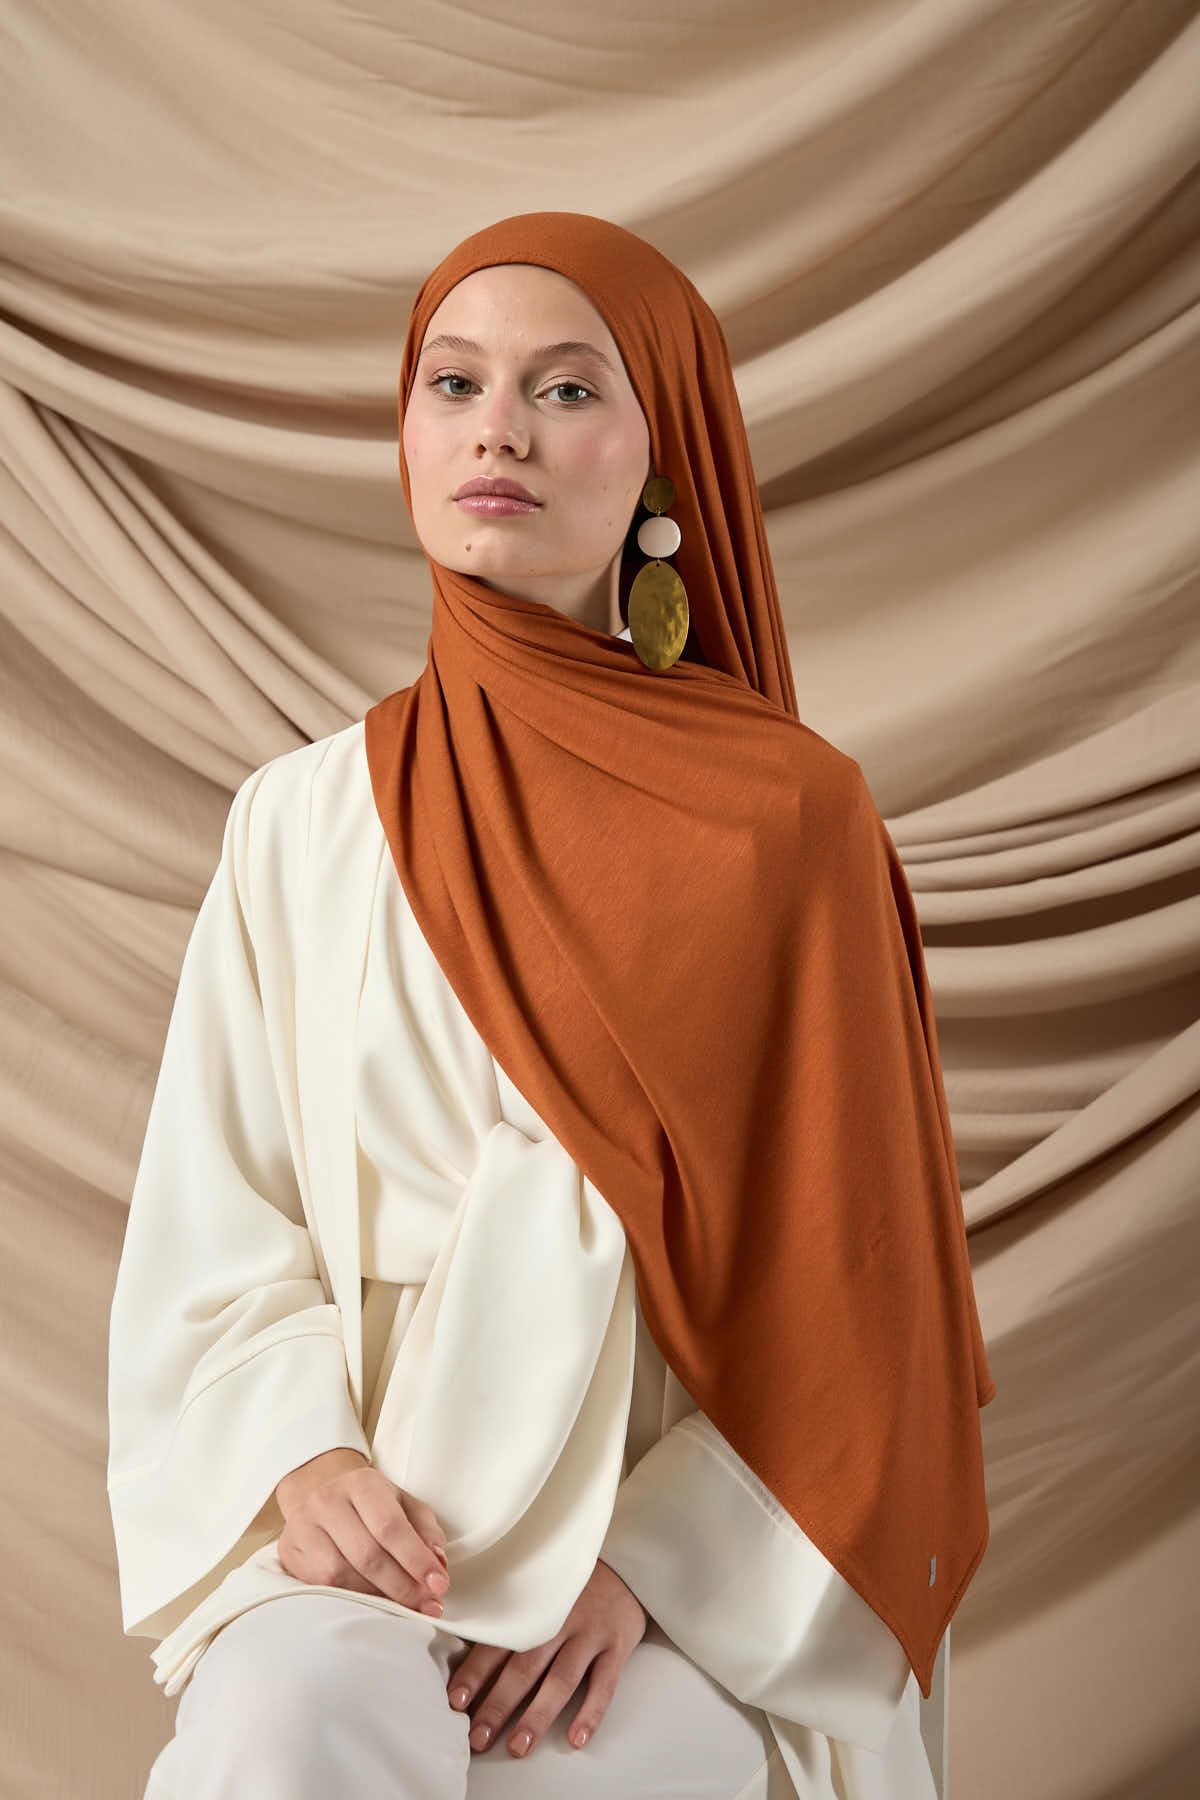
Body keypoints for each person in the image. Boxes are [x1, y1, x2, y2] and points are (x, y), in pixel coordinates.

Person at [107, 212, 995, 1799]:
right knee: (277, 1726)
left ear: (664, 456)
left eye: (568, 389)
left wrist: (659, 1566)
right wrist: (302, 1456)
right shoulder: (301, 822)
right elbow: (216, 1216)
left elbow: (864, 1296)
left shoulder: (794, 824)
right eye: (453, 384)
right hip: (373, 1536)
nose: (498, 430)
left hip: (679, 1581)